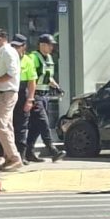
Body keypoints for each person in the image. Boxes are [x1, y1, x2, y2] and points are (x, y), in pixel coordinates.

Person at [25, 34, 64, 162]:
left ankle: (28, 152)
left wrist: (56, 86)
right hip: (35, 95)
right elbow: (31, 78)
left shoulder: (49, 58)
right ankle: (52, 149)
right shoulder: (33, 58)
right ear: (42, 45)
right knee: (43, 122)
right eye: (50, 44)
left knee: (35, 126)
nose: (52, 47)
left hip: (44, 95)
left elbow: (47, 77)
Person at [0, 29, 23, 171]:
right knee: (6, 126)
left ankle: (14, 157)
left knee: (0, 125)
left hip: (6, 92)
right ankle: (10, 157)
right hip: (4, 92)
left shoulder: (8, 51)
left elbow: (11, 73)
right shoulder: (4, 52)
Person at [11, 34, 37, 164]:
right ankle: (9, 155)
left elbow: (32, 82)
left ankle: (21, 155)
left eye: (18, 46)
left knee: (21, 126)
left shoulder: (27, 60)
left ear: (24, 47)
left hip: (22, 93)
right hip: (10, 91)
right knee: (9, 125)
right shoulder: (9, 57)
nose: (15, 48)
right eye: (13, 46)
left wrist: (30, 99)